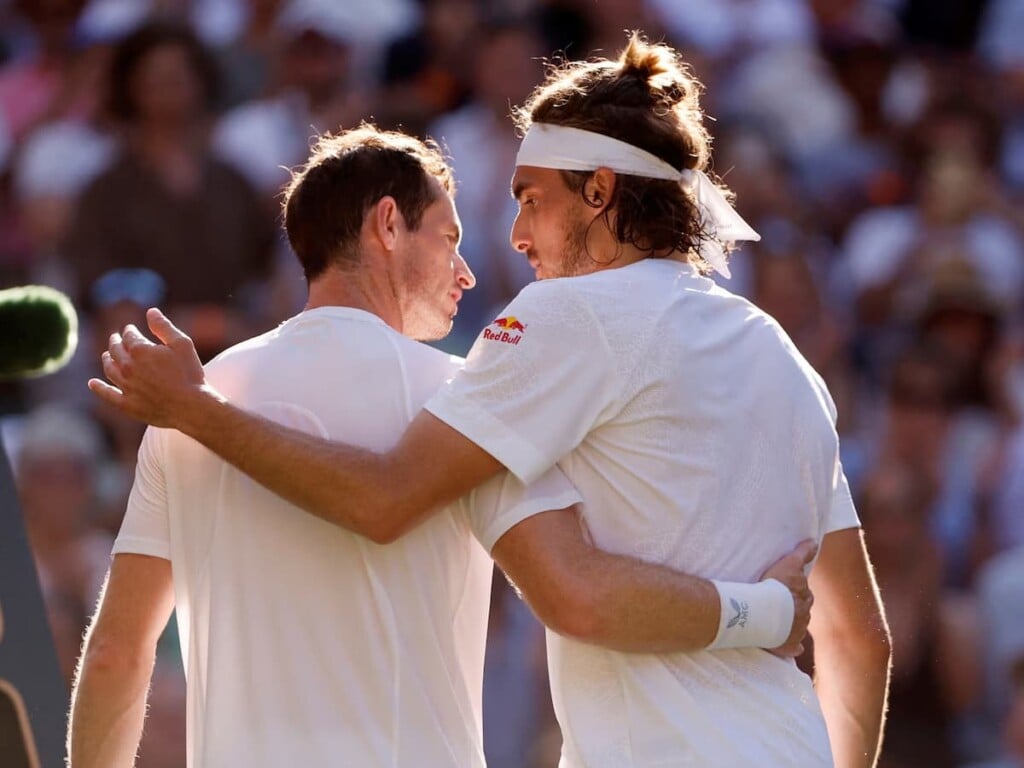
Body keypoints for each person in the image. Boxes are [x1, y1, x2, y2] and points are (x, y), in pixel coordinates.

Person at [92, 36, 891, 767]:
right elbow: (860, 639)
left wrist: (195, 410)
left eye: (531, 197)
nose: (512, 236)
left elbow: (396, 502)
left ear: (601, 192)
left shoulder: (561, 317)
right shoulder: (784, 357)